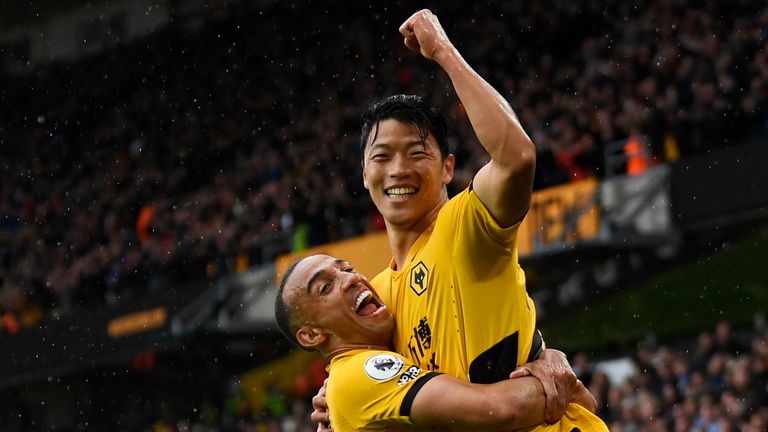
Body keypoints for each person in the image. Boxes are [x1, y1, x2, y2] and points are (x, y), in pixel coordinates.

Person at [312, 9, 608, 431]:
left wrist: (444, 53)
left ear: (448, 168)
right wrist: (333, 400)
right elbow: (364, 377)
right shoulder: (377, 297)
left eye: (416, 153)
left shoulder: (465, 225)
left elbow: (516, 158)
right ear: (364, 173)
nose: (398, 170)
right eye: (382, 156)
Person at [276, 254, 596, 430]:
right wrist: (549, 370)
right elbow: (505, 410)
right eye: (325, 287)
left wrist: (552, 361)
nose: (350, 279)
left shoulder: (368, 367)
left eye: (346, 268)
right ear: (311, 335)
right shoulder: (359, 374)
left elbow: (585, 408)